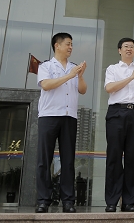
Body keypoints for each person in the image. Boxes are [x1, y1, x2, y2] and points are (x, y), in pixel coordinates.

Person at [35, 33, 87, 213]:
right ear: (57, 45)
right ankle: (43, 200)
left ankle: (68, 201)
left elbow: (83, 90)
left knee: (68, 160)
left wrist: (79, 76)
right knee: (44, 160)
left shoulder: (74, 67)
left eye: (72, 44)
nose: (71, 47)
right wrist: (70, 75)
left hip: (69, 116)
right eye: (68, 44)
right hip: (48, 116)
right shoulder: (46, 66)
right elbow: (47, 85)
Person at [104, 38, 134, 213]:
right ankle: (111, 200)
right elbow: (110, 88)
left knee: (132, 158)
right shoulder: (113, 69)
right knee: (114, 157)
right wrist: (130, 77)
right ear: (119, 50)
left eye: (132, 47)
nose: (129, 49)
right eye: (126, 47)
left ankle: (129, 202)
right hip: (116, 112)